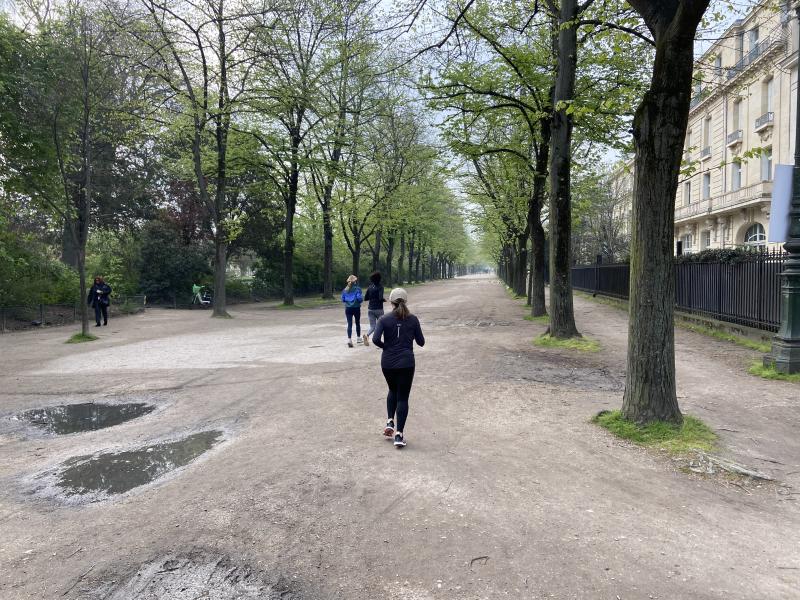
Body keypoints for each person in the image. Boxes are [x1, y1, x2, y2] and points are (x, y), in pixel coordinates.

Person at [372, 288, 425, 448]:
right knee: (402, 397)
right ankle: (399, 435)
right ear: (405, 301)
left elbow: (375, 339)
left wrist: (386, 347)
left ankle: (389, 421)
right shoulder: (413, 319)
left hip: (387, 362)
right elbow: (421, 342)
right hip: (406, 363)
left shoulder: (383, 319)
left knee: (392, 390)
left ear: (391, 302)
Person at [362, 271, 386, 347]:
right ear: (379, 279)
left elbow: (365, 298)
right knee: (382, 325)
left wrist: (372, 297)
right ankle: (386, 341)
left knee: (373, 326)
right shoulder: (380, 287)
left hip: (370, 309)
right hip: (379, 309)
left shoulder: (369, 287)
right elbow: (380, 298)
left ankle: (367, 335)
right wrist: (383, 300)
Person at [341, 274, 363, 348]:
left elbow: (343, 299)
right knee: (357, 323)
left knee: (349, 324)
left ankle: (349, 339)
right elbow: (360, 299)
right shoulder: (358, 289)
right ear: (355, 281)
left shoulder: (345, 290)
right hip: (356, 308)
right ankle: (358, 338)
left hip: (348, 308)